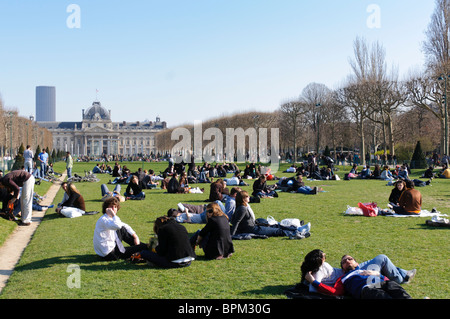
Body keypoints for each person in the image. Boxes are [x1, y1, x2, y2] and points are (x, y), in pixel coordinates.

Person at [305, 254, 414, 299]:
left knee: (400, 293)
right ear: (342, 268)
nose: (347, 261)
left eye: (350, 259)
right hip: (367, 289)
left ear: (357, 263)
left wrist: (377, 274)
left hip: (382, 281)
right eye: (344, 261)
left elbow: (385, 278)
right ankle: (403, 274)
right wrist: (314, 281)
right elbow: (334, 292)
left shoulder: (365, 269)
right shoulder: (342, 278)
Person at [230, 191, 310, 238]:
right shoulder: (242, 208)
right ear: (243, 199)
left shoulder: (244, 206)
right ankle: (297, 233)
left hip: (254, 226)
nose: (249, 197)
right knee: (277, 231)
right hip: (253, 229)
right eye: (247, 196)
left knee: (275, 225)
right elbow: (236, 221)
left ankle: (298, 228)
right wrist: (233, 235)